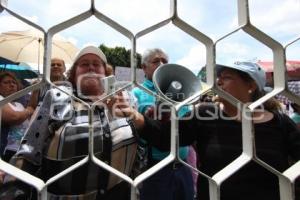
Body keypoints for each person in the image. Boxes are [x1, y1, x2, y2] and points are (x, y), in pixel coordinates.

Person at [114, 61, 300, 200]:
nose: (218, 81)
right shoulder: (205, 114)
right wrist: (135, 115)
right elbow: (165, 137)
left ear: (250, 86)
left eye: (226, 77)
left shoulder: (281, 123)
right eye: (218, 77)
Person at [0, 46, 137, 200]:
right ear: (74, 73)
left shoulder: (123, 98)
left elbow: (141, 142)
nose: (91, 67)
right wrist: (14, 188)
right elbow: (30, 149)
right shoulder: (57, 97)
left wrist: (132, 115)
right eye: (84, 64)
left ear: (105, 72)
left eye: (96, 64)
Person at [131, 48, 194, 200]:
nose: (161, 64)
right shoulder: (136, 93)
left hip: (183, 166)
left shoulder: (180, 90)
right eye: (155, 61)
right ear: (144, 68)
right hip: (155, 169)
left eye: (165, 61)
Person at [0, 72, 38, 161]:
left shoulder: (19, 105)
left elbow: (31, 108)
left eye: (14, 83)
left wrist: (35, 91)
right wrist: (28, 110)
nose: (12, 85)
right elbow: (14, 117)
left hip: (22, 150)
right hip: (7, 150)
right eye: (6, 82)